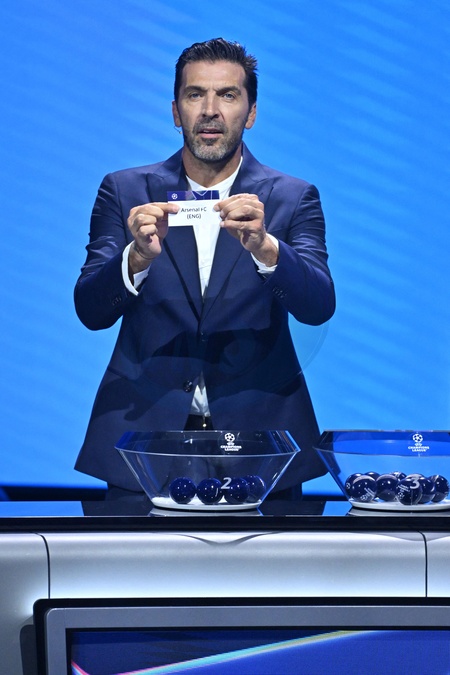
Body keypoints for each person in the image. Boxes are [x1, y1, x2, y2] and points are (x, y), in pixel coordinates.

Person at [74, 38, 335, 493]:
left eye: (228, 95)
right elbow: (90, 311)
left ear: (251, 113)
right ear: (176, 111)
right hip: (143, 447)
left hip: (263, 448)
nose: (210, 110)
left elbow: (318, 306)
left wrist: (266, 248)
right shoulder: (125, 191)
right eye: (195, 94)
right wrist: (136, 258)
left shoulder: (293, 198)